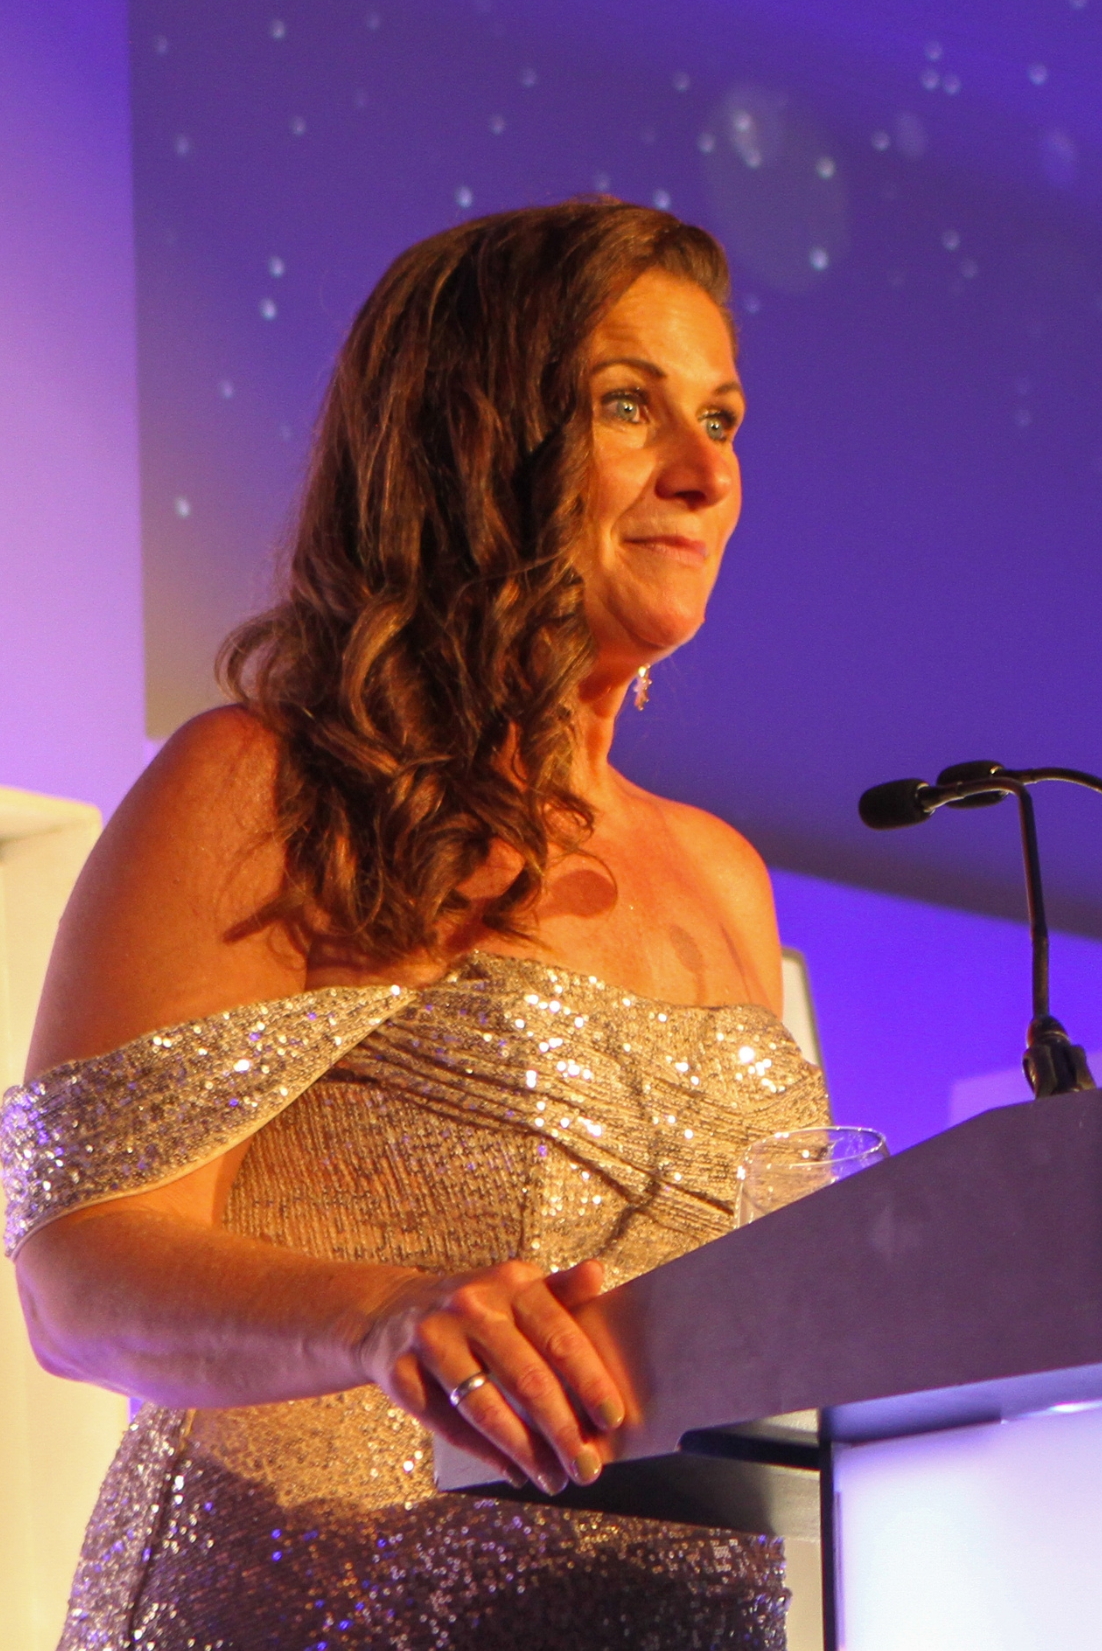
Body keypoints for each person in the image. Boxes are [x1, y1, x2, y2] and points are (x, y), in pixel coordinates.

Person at [3, 199, 829, 1650]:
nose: (706, 473)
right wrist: (382, 1317)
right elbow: (77, 1277)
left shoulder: (725, 876)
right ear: (473, 437)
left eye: (722, 418)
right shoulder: (268, 789)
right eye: (627, 406)